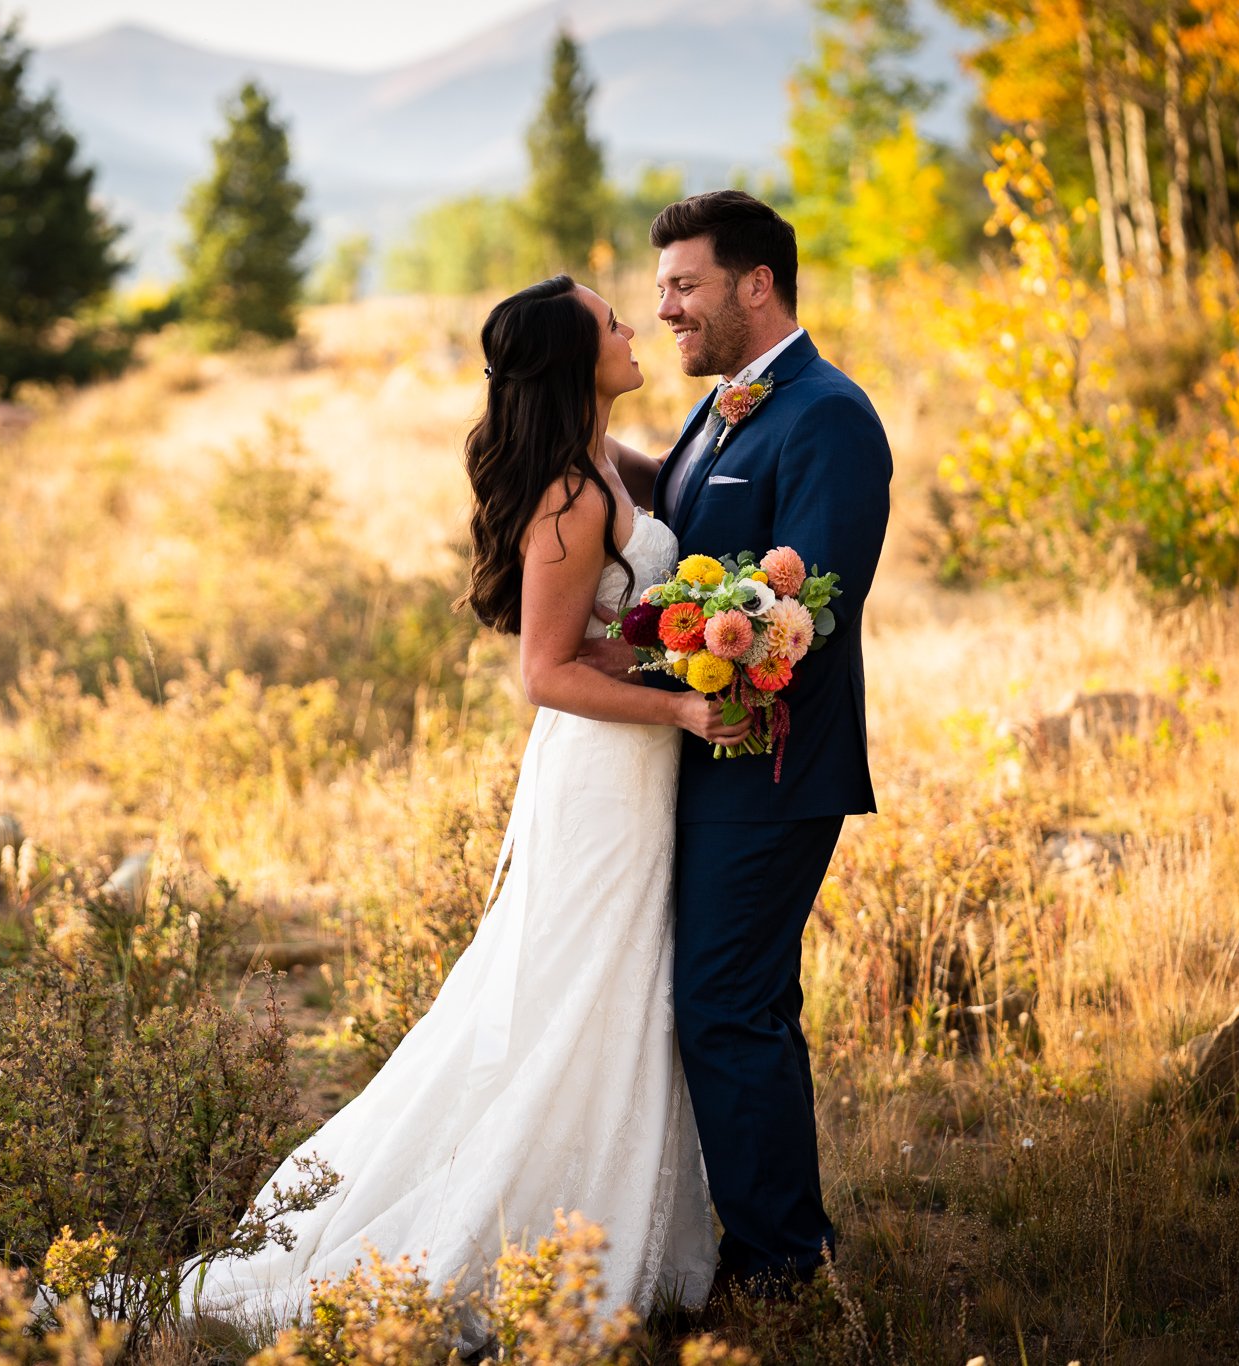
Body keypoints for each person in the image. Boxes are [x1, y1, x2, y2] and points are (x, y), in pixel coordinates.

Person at [183, 273, 749, 1336]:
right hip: (599, 777)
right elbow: (541, 670)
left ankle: (594, 1225)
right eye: (611, 322)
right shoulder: (568, 499)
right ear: (572, 359)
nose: (632, 329)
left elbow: (647, 558)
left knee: (624, 992)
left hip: (633, 769)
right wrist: (675, 710)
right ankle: (507, 1249)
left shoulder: (605, 467)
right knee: (574, 989)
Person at [581, 189, 891, 1294]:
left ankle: (779, 1265)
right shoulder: (721, 406)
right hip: (699, 757)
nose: (662, 308)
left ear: (753, 285)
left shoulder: (827, 416)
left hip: (769, 765)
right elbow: (669, 509)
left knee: (725, 1001)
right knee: (732, 998)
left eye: (682, 285)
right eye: (659, 289)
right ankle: (772, 1239)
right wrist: (550, 434)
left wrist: (692, 647)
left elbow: (807, 601)